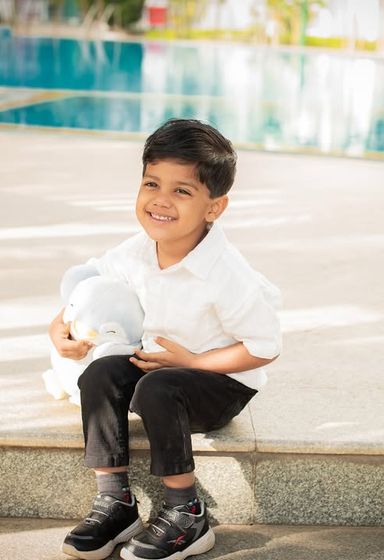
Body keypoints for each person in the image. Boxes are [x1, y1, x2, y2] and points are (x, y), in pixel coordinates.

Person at [49, 118, 282, 560]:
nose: (160, 200)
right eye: (152, 183)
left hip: (219, 381)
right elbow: (90, 280)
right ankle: (115, 501)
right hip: (161, 365)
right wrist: (58, 325)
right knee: (100, 374)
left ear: (214, 208)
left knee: (159, 385)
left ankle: (186, 512)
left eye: (182, 191)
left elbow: (263, 346)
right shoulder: (138, 249)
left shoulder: (225, 271)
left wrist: (193, 362)